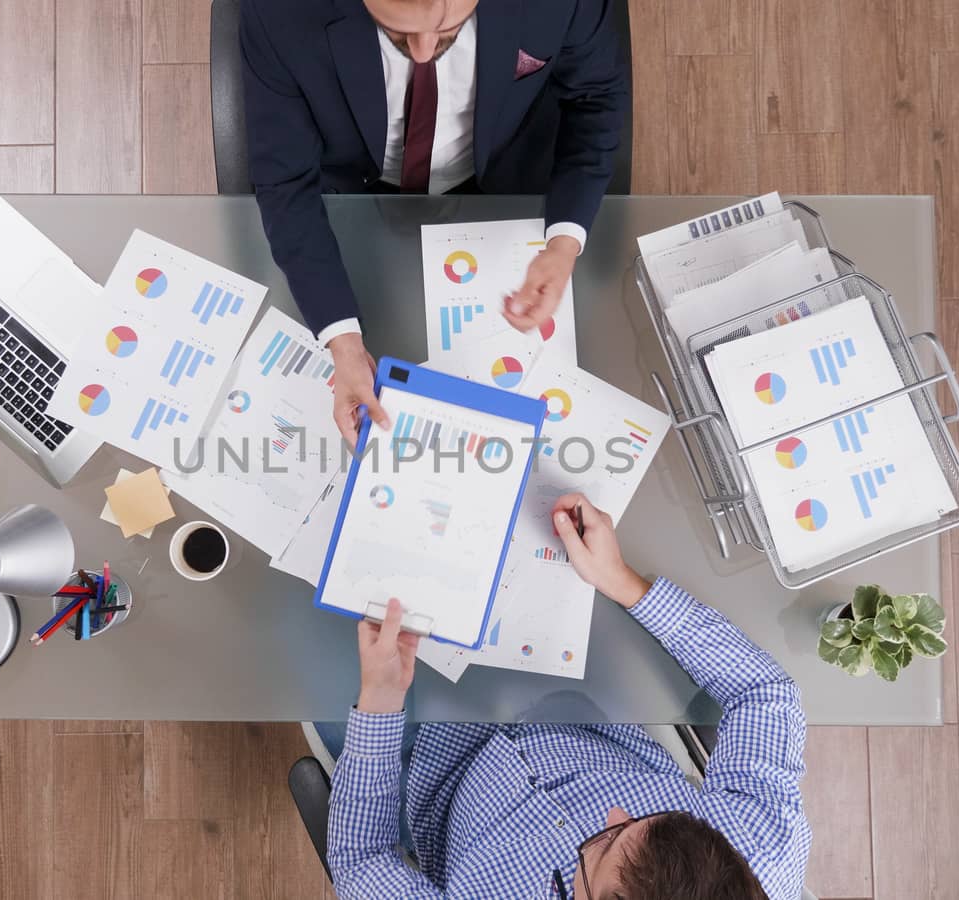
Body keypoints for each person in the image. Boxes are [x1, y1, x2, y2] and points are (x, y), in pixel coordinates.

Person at [324, 494, 811, 898]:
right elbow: (764, 693)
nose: (616, 812)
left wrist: (380, 703)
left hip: (433, 777)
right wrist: (624, 581)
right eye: (656, 817)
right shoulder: (759, 850)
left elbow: (362, 862)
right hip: (572, 705)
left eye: (604, 842)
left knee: (321, 615)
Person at [240, 0, 628, 445]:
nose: (423, 53)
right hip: (352, 189)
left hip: (504, 178)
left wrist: (563, 240)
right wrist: (342, 340)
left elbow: (596, 98)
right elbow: (286, 181)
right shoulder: (276, 11)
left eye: (447, 30)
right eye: (398, 34)